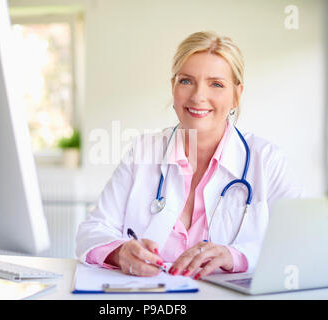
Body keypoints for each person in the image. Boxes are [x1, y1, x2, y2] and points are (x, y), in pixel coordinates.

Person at [76, 31, 302, 279]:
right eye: (186, 81)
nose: (198, 96)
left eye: (216, 84)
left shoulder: (265, 159)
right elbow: (92, 230)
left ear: (237, 95)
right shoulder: (143, 151)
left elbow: (302, 241)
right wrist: (119, 252)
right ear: (173, 87)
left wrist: (235, 256)